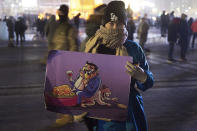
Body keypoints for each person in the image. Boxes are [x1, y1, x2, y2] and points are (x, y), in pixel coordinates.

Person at [84, 1, 154, 131]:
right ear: (104, 24)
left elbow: (149, 82)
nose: (115, 27)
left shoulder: (133, 48)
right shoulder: (93, 46)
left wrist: (142, 76)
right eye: (111, 23)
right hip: (101, 112)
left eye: (120, 23)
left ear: (125, 25)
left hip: (130, 112)